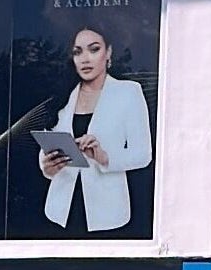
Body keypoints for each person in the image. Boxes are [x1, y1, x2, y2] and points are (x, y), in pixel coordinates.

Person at [38, 26, 152, 233]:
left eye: (94, 49)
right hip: (60, 211)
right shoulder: (63, 95)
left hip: (107, 213)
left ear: (108, 52)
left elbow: (143, 155)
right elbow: (47, 144)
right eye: (77, 52)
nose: (85, 59)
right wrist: (46, 167)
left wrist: (104, 157)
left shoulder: (128, 92)